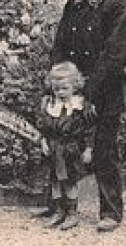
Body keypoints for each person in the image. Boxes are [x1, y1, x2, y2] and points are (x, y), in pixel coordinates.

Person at [50, 0, 126, 232]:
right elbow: (59, 47)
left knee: (104, 151)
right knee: (64, 148)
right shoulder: (73, 6)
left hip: (104, 92)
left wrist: (89, 92)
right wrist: (60, 81)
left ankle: (110, 211)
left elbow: (115, 55)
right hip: (70, 92)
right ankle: (63, 208)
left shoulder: (116, 5)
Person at [35, 61, 95, 231]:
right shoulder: (50, 106)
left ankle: (72, 213)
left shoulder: (79, 107)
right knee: (55, 181)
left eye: (64, 88)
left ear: (74, 86)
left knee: (69, 181)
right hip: (54, 150)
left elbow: (89, 130)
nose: (60, 93)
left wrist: (88, 149)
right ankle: (58, 211)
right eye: (56, 89)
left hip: (70, 150)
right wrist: (43, 142)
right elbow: (43, 127)